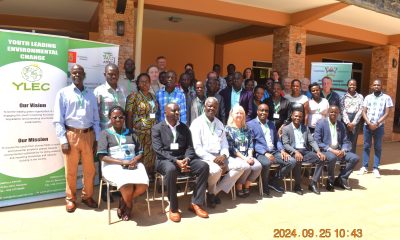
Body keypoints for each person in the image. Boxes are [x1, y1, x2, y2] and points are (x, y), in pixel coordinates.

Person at [53, 64, 100, 212]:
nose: (77, 75)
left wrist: (97, 139)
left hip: (88, 136)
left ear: (84, 75)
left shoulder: (90, 94)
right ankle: (70, 199)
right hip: (71, 135)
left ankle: (87, 196)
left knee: (90, 170)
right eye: (74, 73)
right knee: (71, 171)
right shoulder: (63, 93)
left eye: (80, 73)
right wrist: (63, 140)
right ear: (70, 75)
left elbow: (96, 119)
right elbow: (58, 119)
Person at [152, 103, 209, 222]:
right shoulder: (157, 128)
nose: (177, 113)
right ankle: (173, 208)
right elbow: (159, 150)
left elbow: (190, 147)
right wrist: (176, 161)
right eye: (173, 111)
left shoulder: (184, 128)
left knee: (203, 166)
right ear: (165, 113)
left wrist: (186, 159)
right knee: (171, 170)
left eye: (178, 111)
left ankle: (196, 203)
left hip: (183, 159)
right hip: (165, 160)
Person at [190, 97, 245, 207]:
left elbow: (224, 143)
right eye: (209, 106)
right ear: (204, 107)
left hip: (220, 156)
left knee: (241, 166)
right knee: (216, 170)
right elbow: (197, 148)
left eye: (214, 107)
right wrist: (213, 159)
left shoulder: (219, 123)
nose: (212, 108)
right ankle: (210, 192)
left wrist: (224, 155)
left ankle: (214, 192)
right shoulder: (197, 123)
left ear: (217, 108)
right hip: (204, 158)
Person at [97, 106, 149, 221]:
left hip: (132, 164)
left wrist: (135, 160)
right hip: (113, 166)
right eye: (114, 117)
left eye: (121, 117)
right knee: (127, 185)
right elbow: (102, 156)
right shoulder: (105, 134)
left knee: (143, 185)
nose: (118, 119)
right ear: (110, 118)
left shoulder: (131, 132)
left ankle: (123, 200)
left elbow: (140, 151)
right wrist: (122, 162)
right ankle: (129, 207)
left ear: (124, 118)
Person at [248, 104, 295, 195]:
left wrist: (282, 150)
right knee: (267, 163)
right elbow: (252, 142)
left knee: (291, 161)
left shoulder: (271, 124)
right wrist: (265, 153)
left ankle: (273, 181)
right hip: (260, 153)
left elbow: (277, 140)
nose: (264, 113)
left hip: (274, 151)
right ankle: (264, 185)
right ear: (257, 111)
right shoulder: (250, 124)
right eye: (261, 110)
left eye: (266, 111)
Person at [314, 105, 359, 191]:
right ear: (328, 112)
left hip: (339, 150)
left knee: (355, 158)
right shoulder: (321, 123)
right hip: (326, 150)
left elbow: (346, 140)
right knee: (332, 157)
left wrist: (343, 150)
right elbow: (317, 141)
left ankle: (342, 178)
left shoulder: (341, 125)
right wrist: (331, 150)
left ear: (338, 113)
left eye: (335, 112)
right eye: (331, 112)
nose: (333, 114)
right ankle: (330, 180)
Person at [281, 110, 326, 194]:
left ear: (302, 118)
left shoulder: (305, 128)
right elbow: (286, 144)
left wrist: (318, 151)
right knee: (298, 160)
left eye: (300, 116)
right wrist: (295, 152)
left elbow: (311, 141)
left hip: (305, 151)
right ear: (292, 116)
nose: (298, 118)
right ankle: (297, 186)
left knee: (321, 159)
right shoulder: (286, 128)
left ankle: (313, 183)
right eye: (296, 116)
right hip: (293, 151)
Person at [359, 79, 393, 178]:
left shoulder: (387, 98)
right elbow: (363, 111)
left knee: (378, 147)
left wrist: (377, 123)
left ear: (381, 86)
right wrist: (369, 123)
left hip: (379, 127)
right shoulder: (368, 97)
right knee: (366, 146)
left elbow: (387, 113)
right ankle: (364, 167)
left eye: (378, 85)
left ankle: (376, 168)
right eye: (375, 85)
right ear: (372, 86)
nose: (376, 86)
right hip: (367, 126)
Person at [225, 105, 262, 197]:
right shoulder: (228, 129)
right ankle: (239, 186)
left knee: (258, 166)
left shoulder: (247, 128)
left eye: (241, 113)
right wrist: (245, 159)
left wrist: (250, 156)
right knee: (246, 167)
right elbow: (232, 148)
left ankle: (247, 185)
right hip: (235, 156)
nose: (239, 115)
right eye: (237, 113)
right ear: (232, 115)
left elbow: (250, 144)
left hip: (247, 155)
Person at [125, 73, 158, 174]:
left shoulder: (152, 96)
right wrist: (130, 131)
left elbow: (154, 112)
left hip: (151, 132)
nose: (145, 84)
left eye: (147, 82)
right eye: (142, 82)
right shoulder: (133, 96)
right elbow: (129, 115)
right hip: (138, 132)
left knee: (150, 155)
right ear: (138, 84)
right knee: (138, 154)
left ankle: (148, 177)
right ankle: (137, 177)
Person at [94, 63, 127, 130]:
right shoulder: (98, 91)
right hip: (106, 130)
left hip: (122, 130)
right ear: (105, 74)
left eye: (116, 74)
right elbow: (94, 114)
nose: (114, 76)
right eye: (110, 74)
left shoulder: (123, 90)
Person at [340, 79, 364, 153]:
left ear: (356, 86)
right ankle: (343, 156)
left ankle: (352, 156)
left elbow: (361, 110)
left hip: (355, 120)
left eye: (354, 85)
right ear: (347, 85)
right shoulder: (343, 97)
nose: (352, 86)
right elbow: (342, 110)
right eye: (350, 84)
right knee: (344, 138)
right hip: (345, 119)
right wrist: (347, 122)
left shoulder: (360, 97)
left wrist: (353, 123)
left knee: (353, 139)